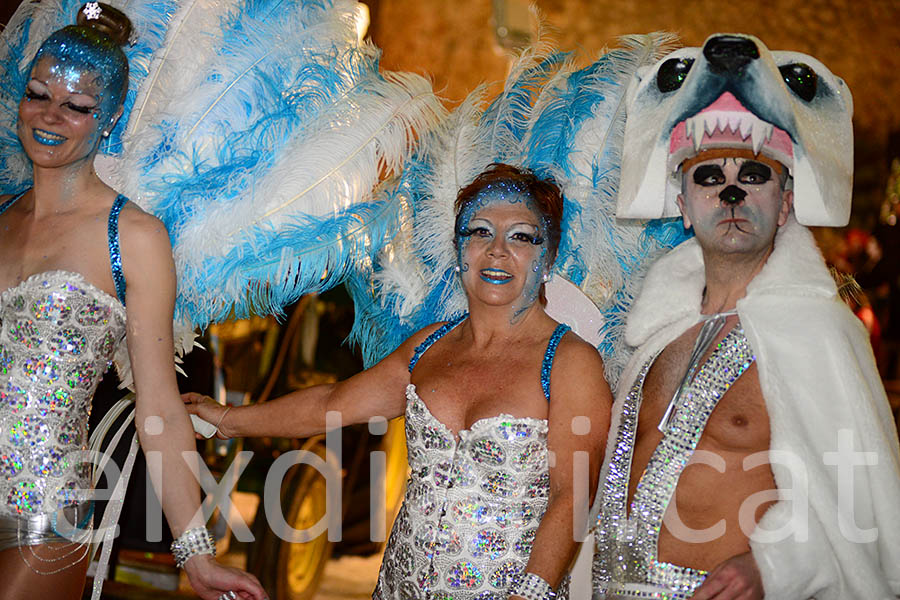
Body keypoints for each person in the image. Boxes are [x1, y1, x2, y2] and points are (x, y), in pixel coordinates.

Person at [186, 164, 612, 599]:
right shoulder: (430, 346)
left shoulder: (571, 363)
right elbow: (331, 404)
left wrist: (529, 594)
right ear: (459, 249)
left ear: (549, 258)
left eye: (522, 237)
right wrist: (227, 419)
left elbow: (571, 497)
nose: (498, 251)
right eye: (479, 232)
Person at [591, 34, 900, 599]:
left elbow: (861, 502)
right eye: (707, 177)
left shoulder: (818, 333)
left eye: (754, 176)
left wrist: (772, 566)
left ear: (785, 203)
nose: (730, 192)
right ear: (682, 204)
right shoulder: (652, 333)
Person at [0, 4, 266, 599]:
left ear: (110, 120)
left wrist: (196, 554)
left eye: (78, 106)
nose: (51, 116)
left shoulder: (134, 237)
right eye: (39, 94)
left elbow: (160, 407)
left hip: (46, 512)